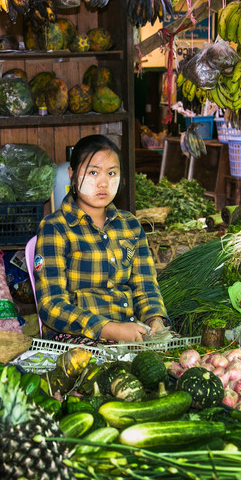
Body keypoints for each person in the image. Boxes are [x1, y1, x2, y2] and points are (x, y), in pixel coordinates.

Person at [34, 135, 168, 343]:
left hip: (129, 330)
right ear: (72, 175)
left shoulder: (130, 225)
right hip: (75, 336)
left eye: (111, 173)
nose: (103, 182)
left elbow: (146, 286)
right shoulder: (56, 228)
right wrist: (109, 330)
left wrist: (155, 320)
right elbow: (51, 305)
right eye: (93, 172)